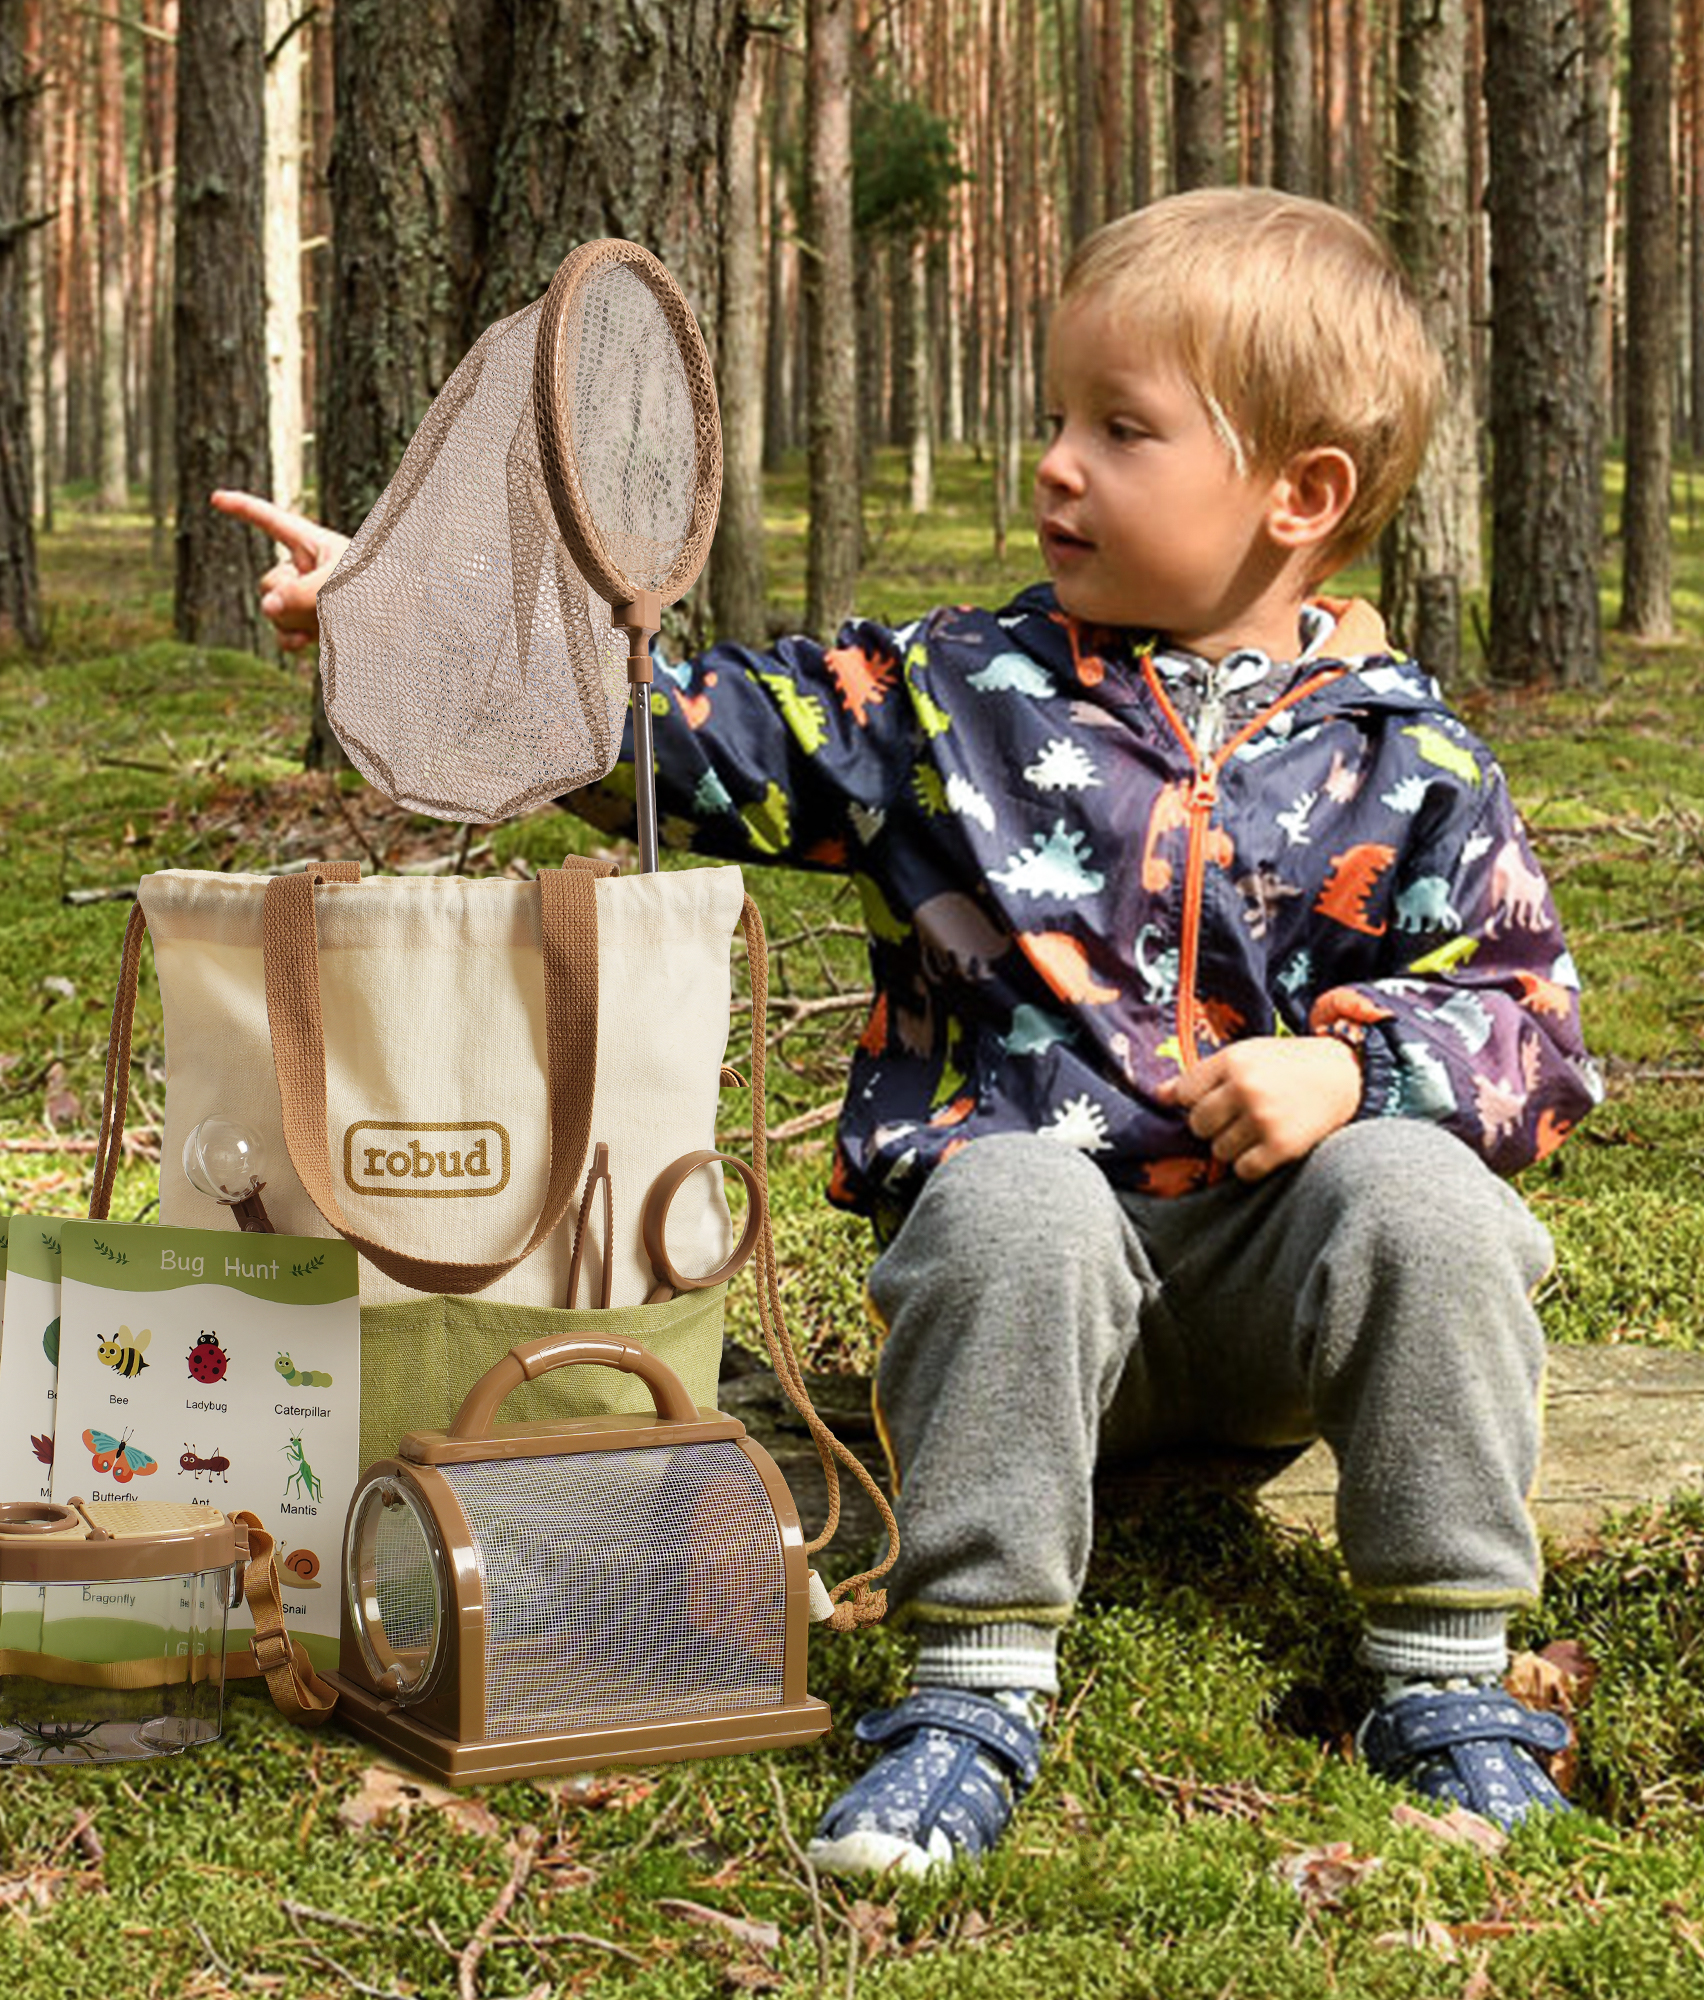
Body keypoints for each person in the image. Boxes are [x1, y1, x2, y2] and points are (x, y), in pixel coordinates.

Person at [216, 186, 1602, 1875]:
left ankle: (1449, 1675)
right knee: (1015, 1190)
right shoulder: (946, 698)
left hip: (1269, 1317)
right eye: (1056, 415)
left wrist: (1356, 1065)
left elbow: (1536, 1021)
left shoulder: (1414, 763)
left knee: (1430, 1197)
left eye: (1122, 429)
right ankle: (973, 1686)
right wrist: (404, 613)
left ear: (1299, 499)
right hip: (1014, 1307)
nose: (1057, 465)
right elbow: (677, 736)